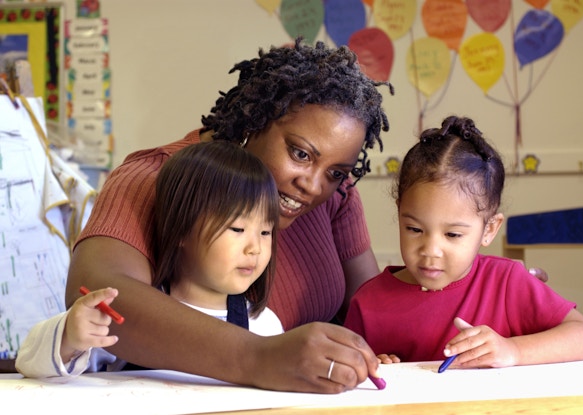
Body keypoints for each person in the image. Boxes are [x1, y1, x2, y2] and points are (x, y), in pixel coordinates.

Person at [63, 38, 545, 392]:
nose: (313, 186)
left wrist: (494, 313)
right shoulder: (157, 177)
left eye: (336, 171)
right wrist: (257, 357)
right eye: (299, 154)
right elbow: (105, 299)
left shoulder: (335, 198)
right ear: (254, 123)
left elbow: (375, 309)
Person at [344, 116, 583, 369]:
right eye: (414, 229)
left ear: (489, 229)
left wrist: (512, 350)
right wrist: (373, 366)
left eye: (452, 235)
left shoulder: (507, 282)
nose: (430, 250)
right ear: (399, 213)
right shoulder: (368, 302)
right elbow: (351, 369)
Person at [16, 141, 283, 378]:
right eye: (237, 229)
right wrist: (68, 337)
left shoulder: (265, 326)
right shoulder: (129, 317)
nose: (255, 248)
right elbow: (29, 363)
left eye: (265, 232)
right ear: (181, 229)